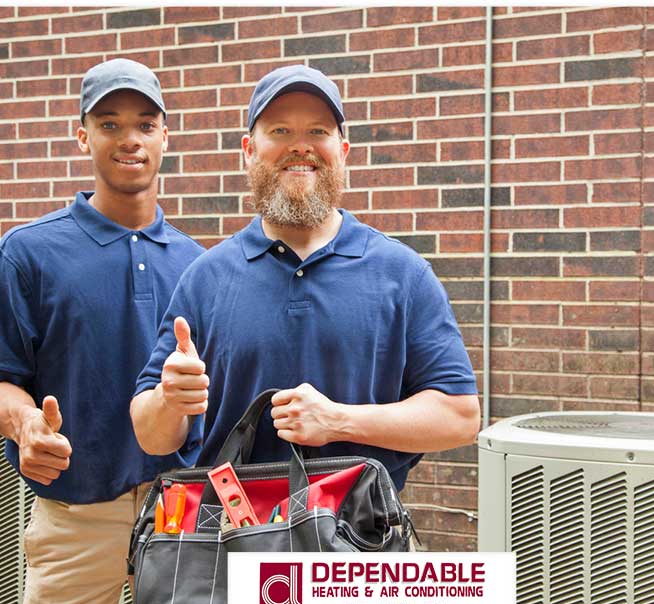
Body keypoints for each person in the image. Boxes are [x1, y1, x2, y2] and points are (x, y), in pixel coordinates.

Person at [130, 64, 480, 494]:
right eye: (279, 131)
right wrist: (170, 400)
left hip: (359, 542)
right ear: (249, 149)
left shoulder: (402, 274)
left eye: (317, 131)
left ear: (343, 149)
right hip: (231, 542)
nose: (300, 147)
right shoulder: (206, 277)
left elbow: (460, 417)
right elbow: (151, 435)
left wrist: (338, 420)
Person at [0, 58, 205, 604]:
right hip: (75, 517)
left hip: (181, 511)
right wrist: (26, 425)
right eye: (109, 124)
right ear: (83, 135)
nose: (130, 140)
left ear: (165, 136)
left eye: (146, 124)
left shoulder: (201, 266)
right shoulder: (28, 253)